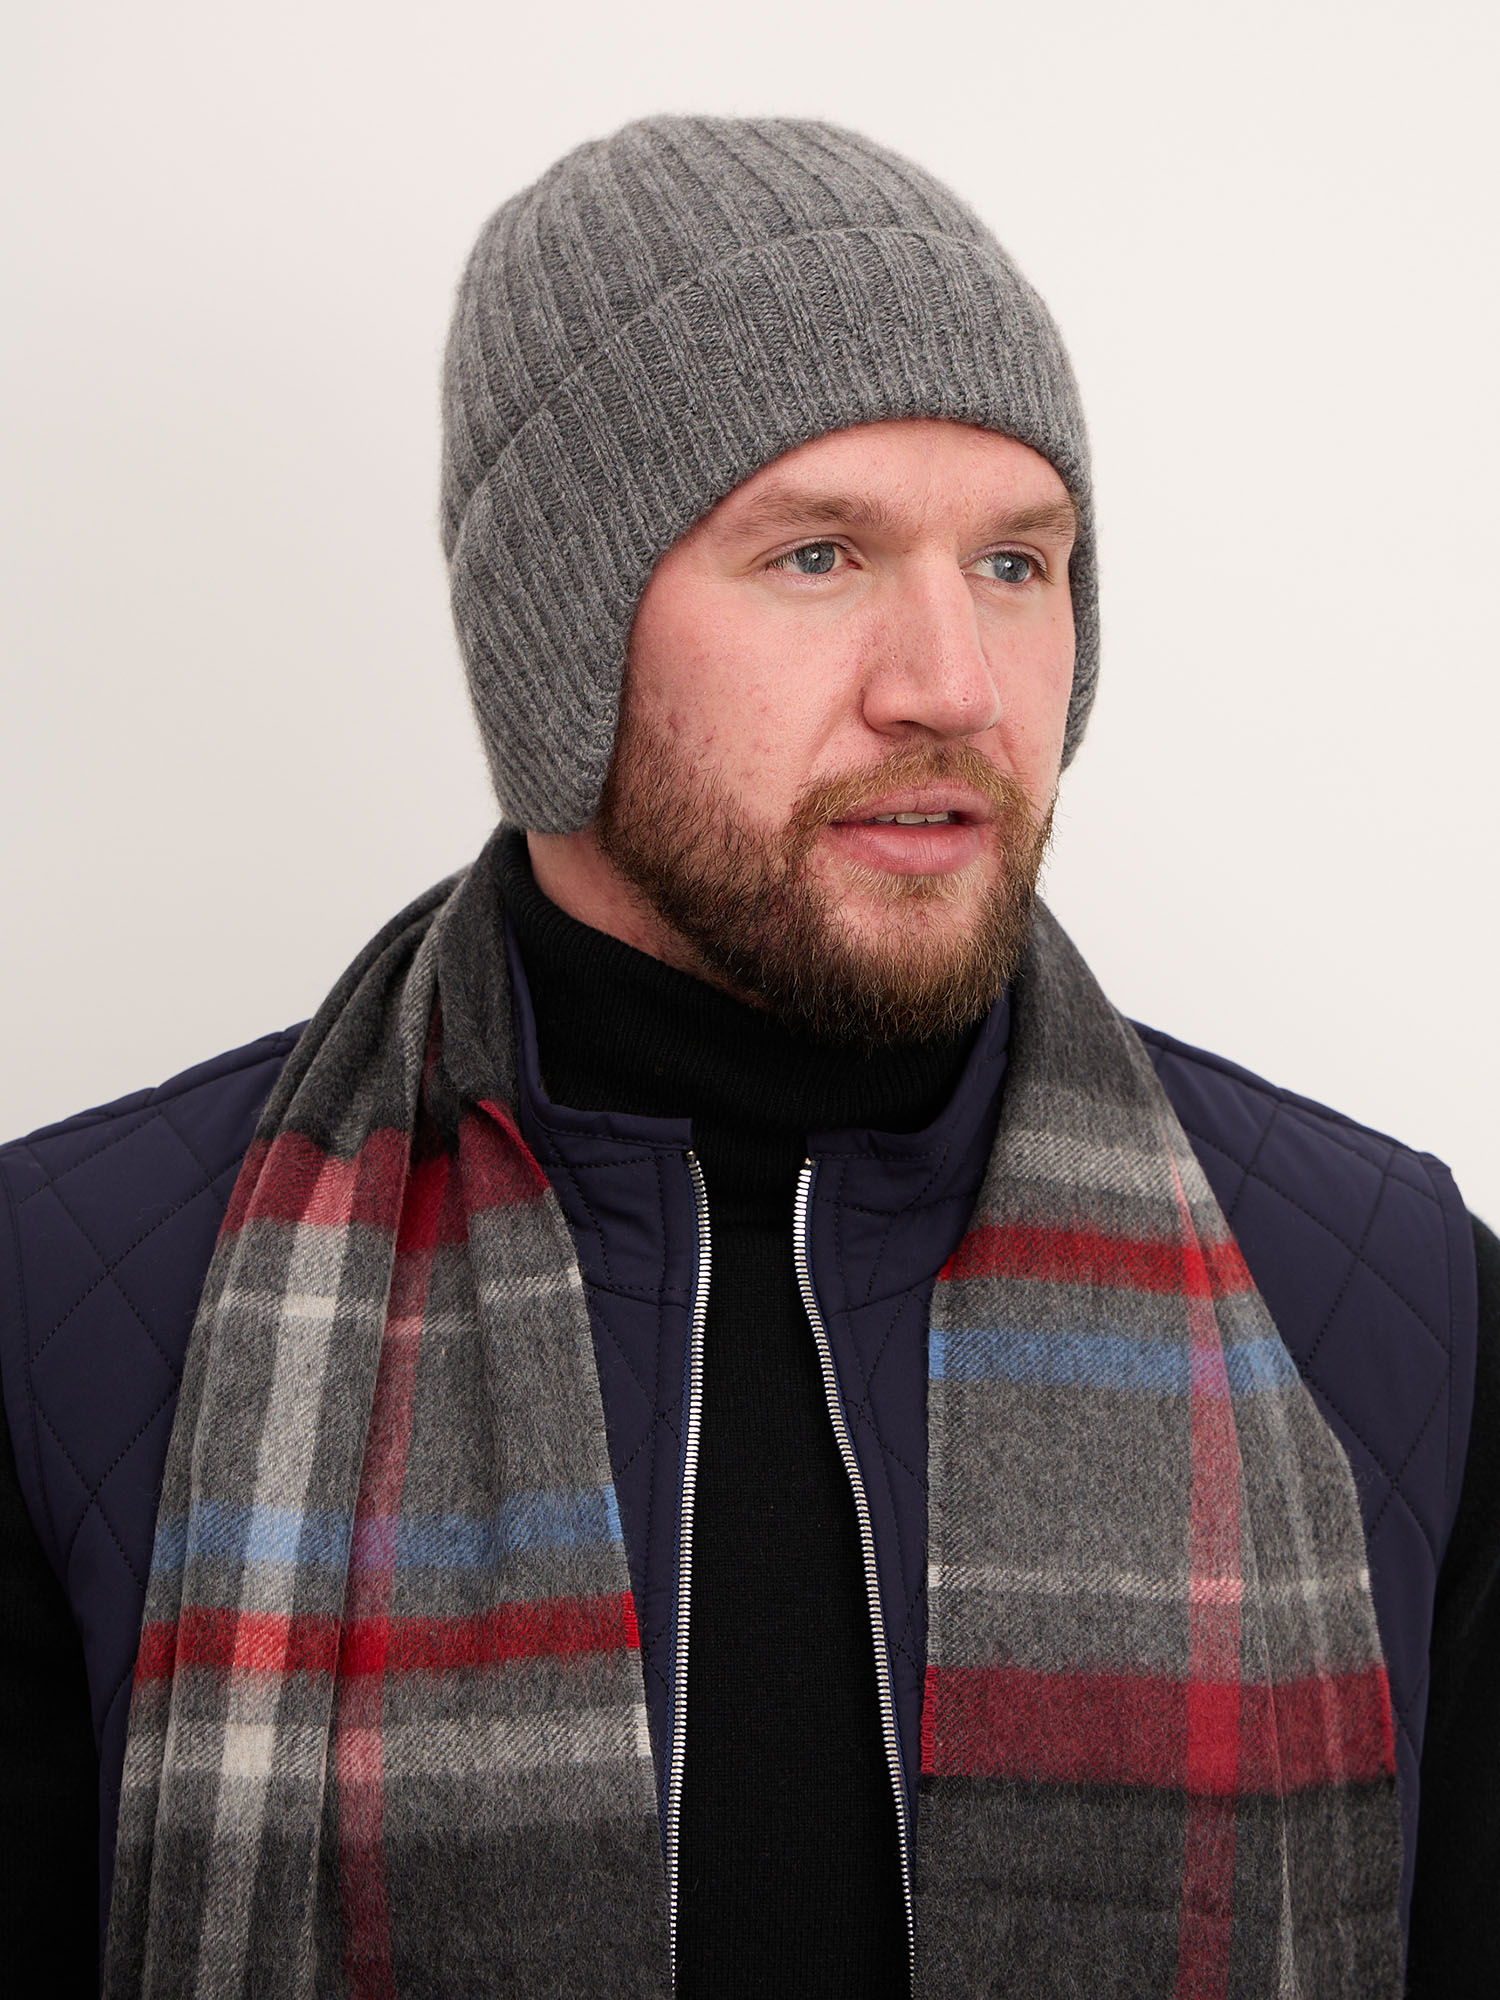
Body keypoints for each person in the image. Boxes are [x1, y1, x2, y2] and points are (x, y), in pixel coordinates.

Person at [0, 115, 1493, 2000]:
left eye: (1017, 562)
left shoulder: (1397, 1308)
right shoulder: (66, 1305)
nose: (952, 683)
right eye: (816, 554)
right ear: (557, 645)